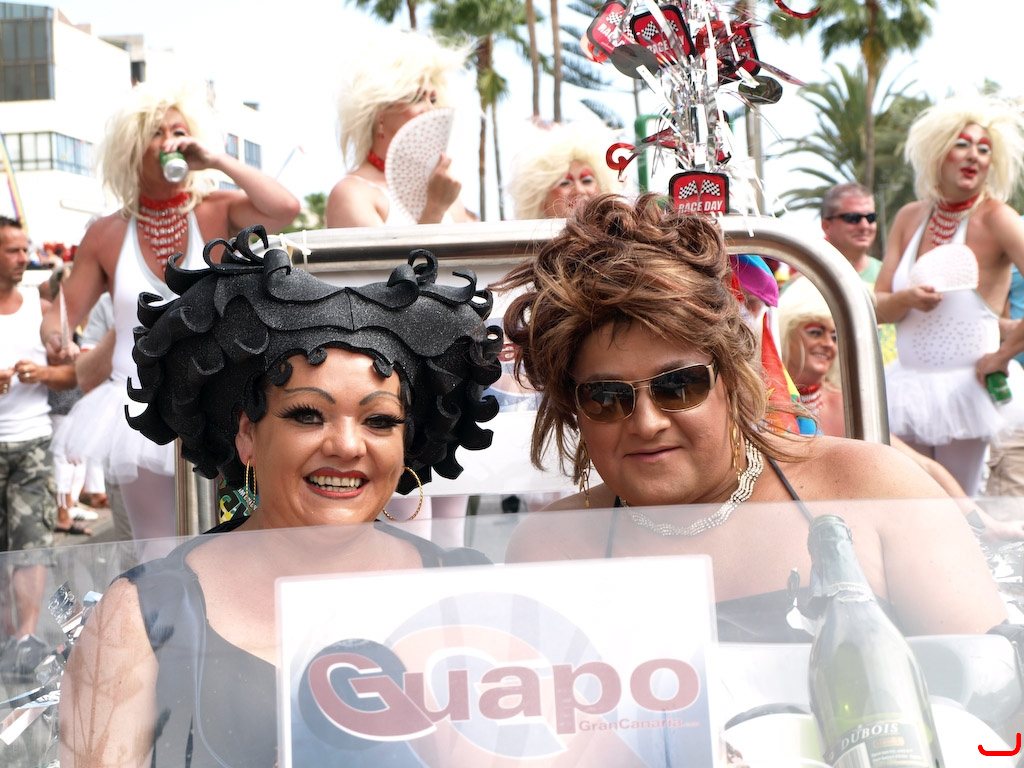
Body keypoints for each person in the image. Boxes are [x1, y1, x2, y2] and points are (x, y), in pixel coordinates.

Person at [58, 226, 501, 766]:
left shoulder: (468, 594)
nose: (346, 446)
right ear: (247, 434)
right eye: (308, 415)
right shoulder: (141, 615)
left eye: (380, 420)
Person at [498, 194, 1006, 641]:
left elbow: (988, 685)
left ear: (732, 380)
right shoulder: (551, 549)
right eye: (606, 397)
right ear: (573, 409)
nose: (647, 422)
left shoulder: (871, 487)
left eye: (679, 385)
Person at [39, 82, 300, 545]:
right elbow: (61, 315)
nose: (170, 143)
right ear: (131, 148)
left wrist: (215, 159)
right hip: (138, 407)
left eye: (178, 131)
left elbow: (285, 208)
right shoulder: (106, 233)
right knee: (154, 548)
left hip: (219, 400)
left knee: (233, 542)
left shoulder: (217, 209)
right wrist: (55, 336)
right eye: (156, 133)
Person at [779, 276, 1024, 541]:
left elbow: (922, 468)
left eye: (836, 336)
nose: (829, 344)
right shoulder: (762, 401)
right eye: (815, 332)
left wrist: (984, 525)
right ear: (786, 330)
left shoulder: (843, 404)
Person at [875, 95, 1024, 496]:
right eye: (962, 143)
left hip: (968, 391)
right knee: (912, 502)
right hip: (906, 387)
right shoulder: (909, 217)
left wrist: (1002, 356)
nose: (974, 155)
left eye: (984, 148)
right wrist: (907, 300)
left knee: (962, 506)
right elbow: (877, 307)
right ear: (937, 152)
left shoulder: (998, 218)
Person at [0, 217, 77, 679]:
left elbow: (71, 374)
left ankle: (24, 640)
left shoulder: (40, 306)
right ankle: (6, 637)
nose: (22, 258)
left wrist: (43, 373)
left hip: (31, 441)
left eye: (23, 249)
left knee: (31, 544)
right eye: (11, 250)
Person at [325, 29, 474, 227]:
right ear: (380, 111)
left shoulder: (446, 193)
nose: (430, 110)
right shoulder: (352, 194)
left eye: (432, 99)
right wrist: (435, 208)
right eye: (416, 98)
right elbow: (403, 252)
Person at [506, 119, 624, 220]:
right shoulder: (525, 240)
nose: (579, 190)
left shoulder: (620, 236)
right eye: (565, 183)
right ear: (542, 201)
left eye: (587, 181)